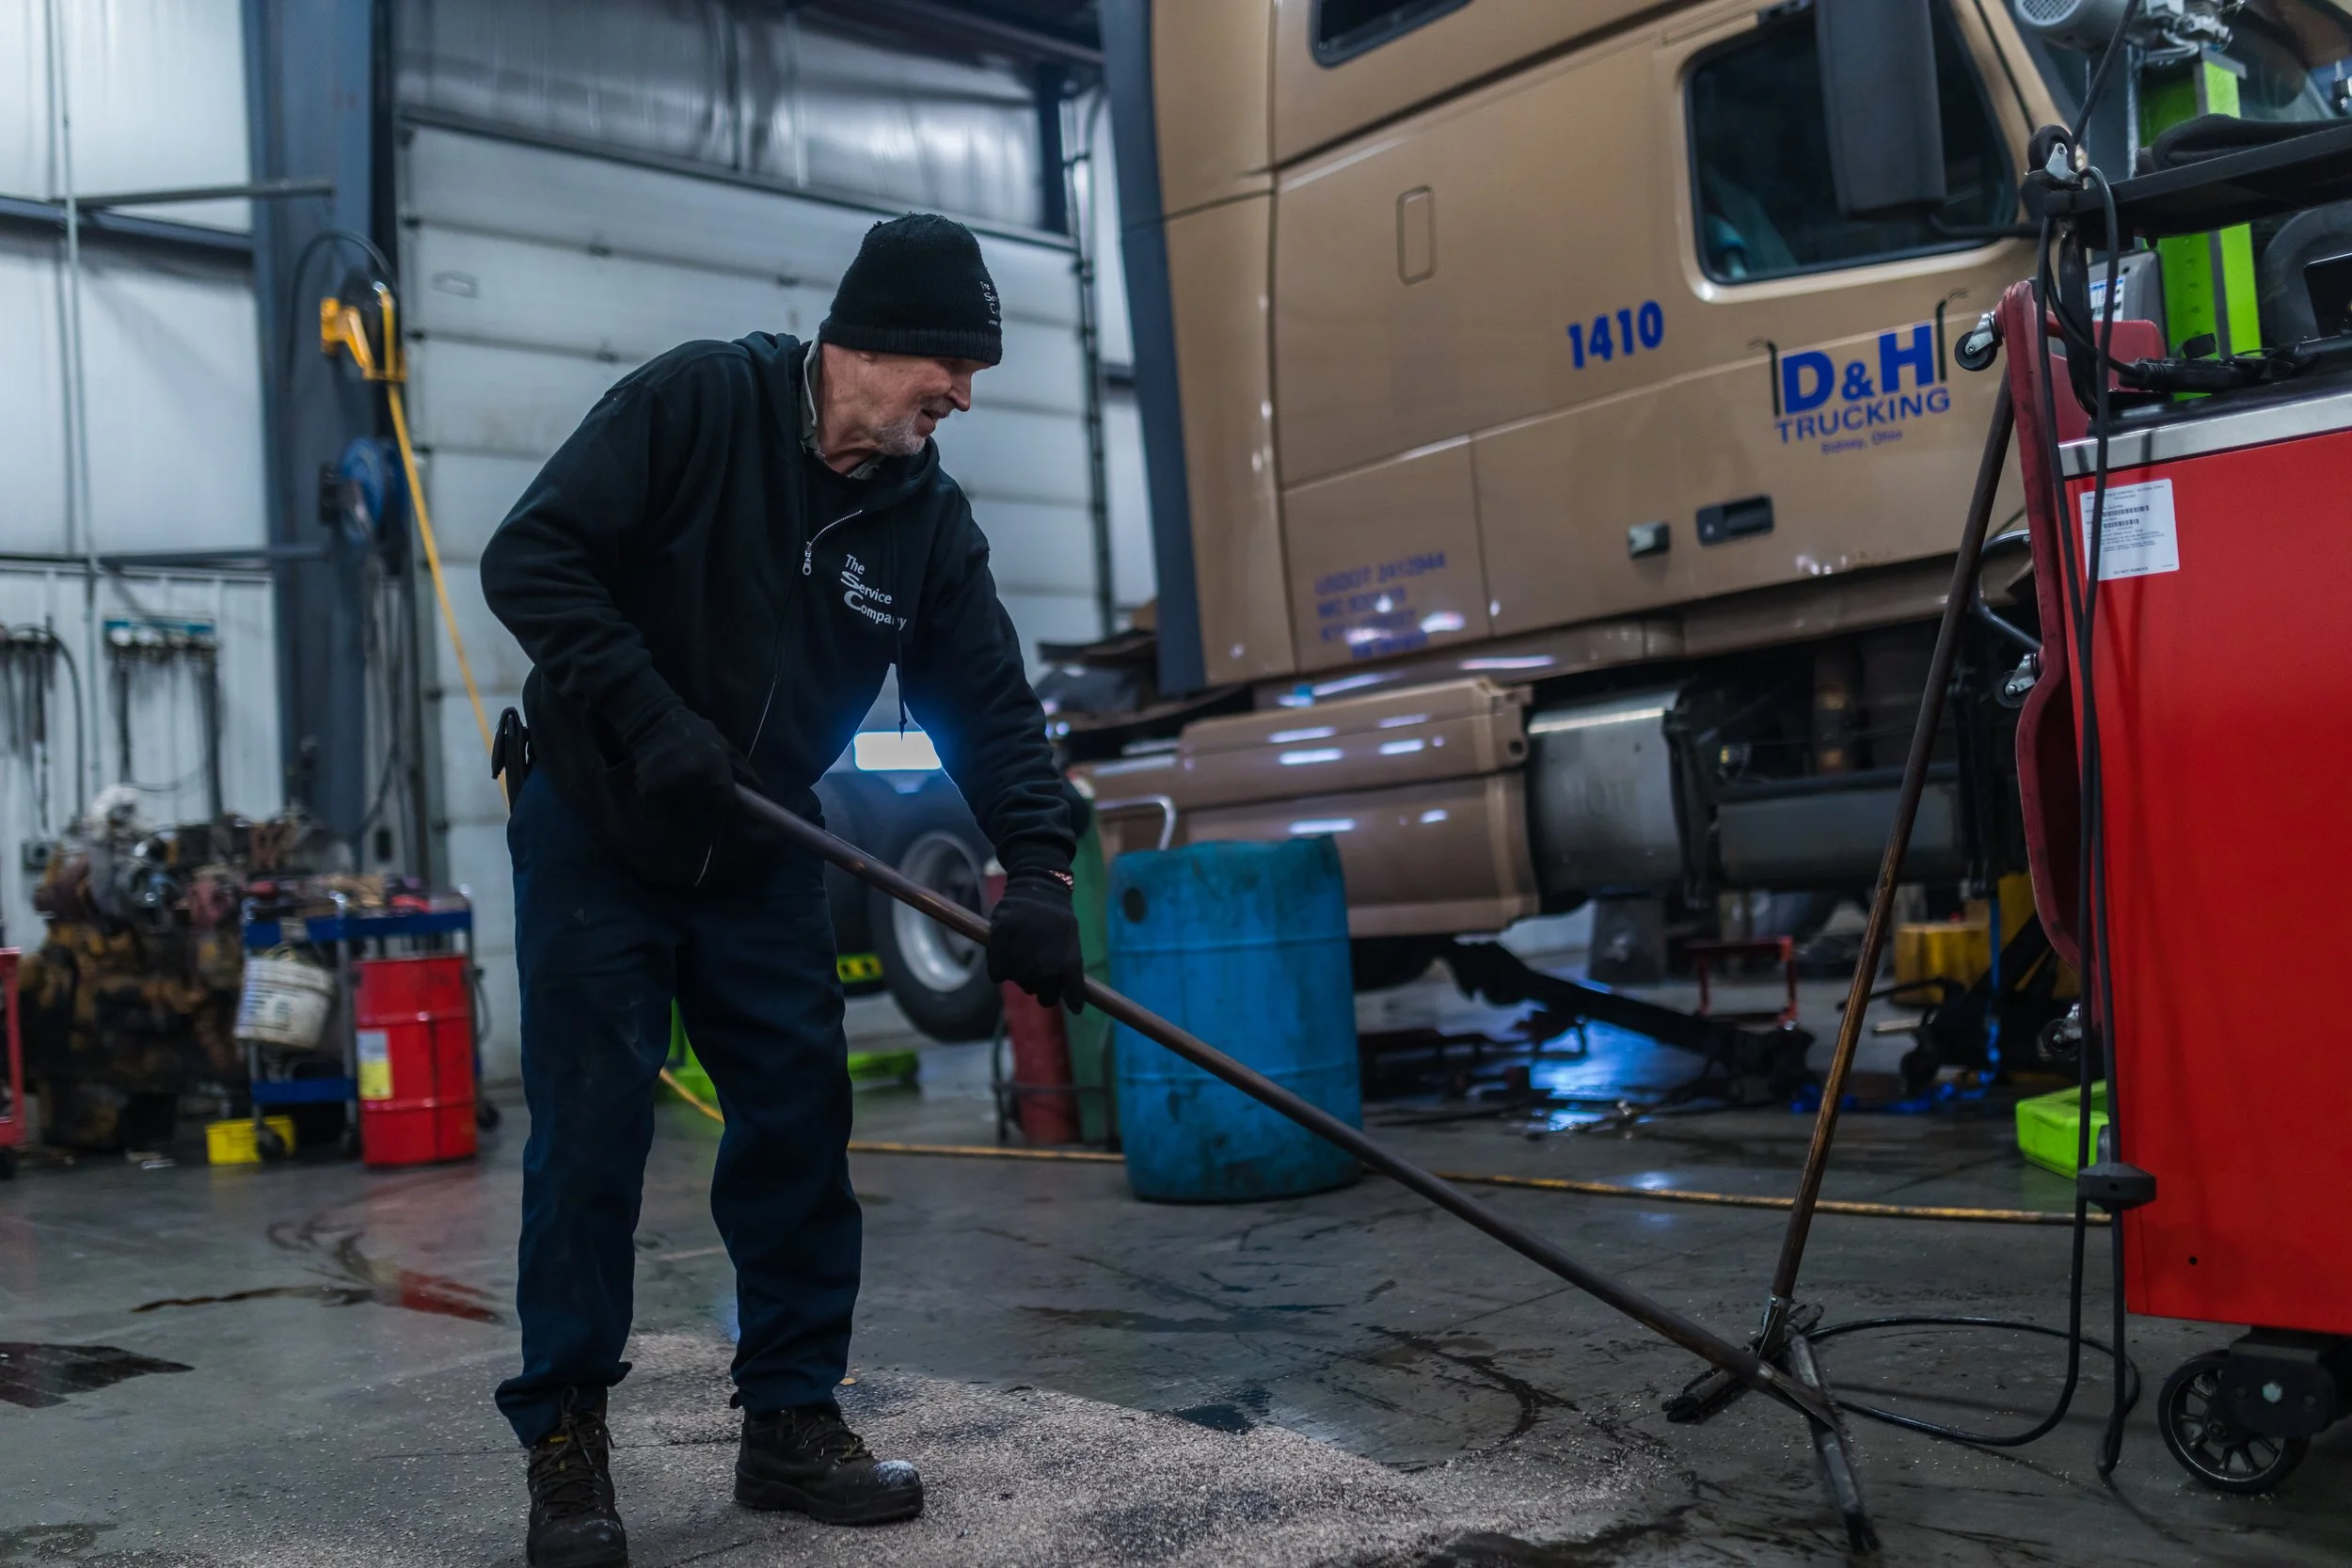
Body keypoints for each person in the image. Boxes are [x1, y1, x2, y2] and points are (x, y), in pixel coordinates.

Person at [480, 213, 1086, 1568]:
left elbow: (986, 704)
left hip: (759, 850)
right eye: (953, 366)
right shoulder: (699, 403)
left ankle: (791, 1417)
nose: (964, 398)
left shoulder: (921, 515)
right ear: (873, 345)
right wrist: (649, 717)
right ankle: (568, 1440)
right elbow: (530, 558)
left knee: (800, 1130)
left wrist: (1037, 870)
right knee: (590, 1143)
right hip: (599, 826)